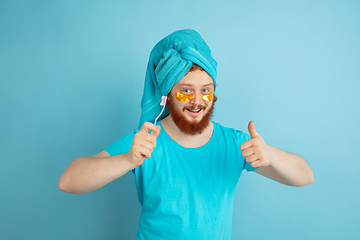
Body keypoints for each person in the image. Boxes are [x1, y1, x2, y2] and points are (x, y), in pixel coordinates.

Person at [58, 29, 314, 239]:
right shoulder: (144, 143)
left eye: (206, 90)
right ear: (167, 94)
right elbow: (68, 181)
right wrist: (127, 160)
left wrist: (272, 155)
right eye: (185, 91)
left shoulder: (235, 144)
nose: (197, 101)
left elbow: (304, 177)